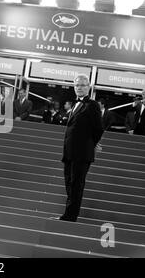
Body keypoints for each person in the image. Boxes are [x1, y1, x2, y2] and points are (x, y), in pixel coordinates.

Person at [57, 74, 103, 222]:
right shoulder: (74, 104)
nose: (79, 88)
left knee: (76, 185)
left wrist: (92, 144)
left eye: (83, 85)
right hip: (69, 152)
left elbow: (98, 128)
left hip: (82, 153)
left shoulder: (93, 105)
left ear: (88, 87)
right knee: (69, 183)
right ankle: (70, 213)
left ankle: (70, 216)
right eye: (77, 85)